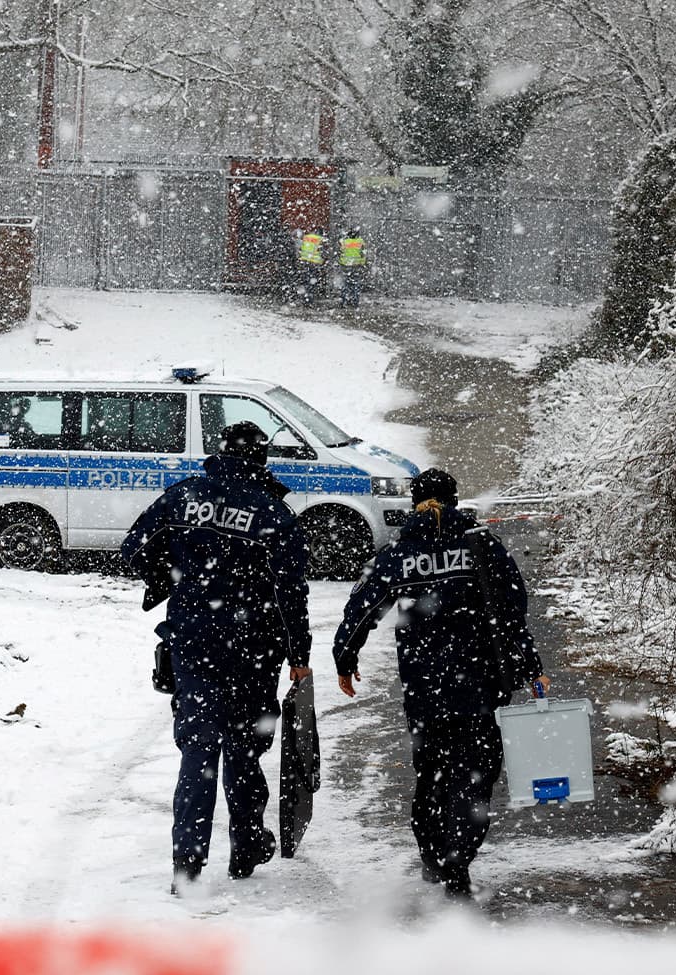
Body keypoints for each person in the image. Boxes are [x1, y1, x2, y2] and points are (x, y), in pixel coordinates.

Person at [330, 468, 549, 899]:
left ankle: (432, 854)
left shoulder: (398, 552)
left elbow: (362, 605)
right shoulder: (481, 544)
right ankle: (458, 858)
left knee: (431, 772)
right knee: (475, 775)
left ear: (414, 503)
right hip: (478, 686)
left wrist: (345, 656)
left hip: (424, 688)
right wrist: (530, 666)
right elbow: (511, 609)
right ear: (454, 499)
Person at [122, 421, 312, 891]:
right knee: (245, 749)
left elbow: (132, 549)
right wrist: (298, 654)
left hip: (193, 644)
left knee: (199, 750)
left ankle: (186, 862)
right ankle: (246, 847)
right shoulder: (273, 513)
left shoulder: (183, 496)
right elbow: (291, 593)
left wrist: (172, 579)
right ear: (261, 461)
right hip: (253, 649)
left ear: (220, 453)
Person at [292, 228, 328, 305]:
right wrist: (323, 262)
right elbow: (323, 253)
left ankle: (304, 297)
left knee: (305, 280)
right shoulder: (321, 239)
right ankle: (309, 299)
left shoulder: (306, 237)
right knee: (312, 282)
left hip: (304, 261)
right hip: (314, 263)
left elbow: (299, 247)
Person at [337, 228, 368, 308]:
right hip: (356, 266)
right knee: (355, 285)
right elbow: (363, 254)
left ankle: (343, 301)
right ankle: (354, 302)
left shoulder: (344, 242)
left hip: (346, 266)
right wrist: (362, 263)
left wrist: (341, 263)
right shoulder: (360, 242)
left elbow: (340, 253)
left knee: (345, 284)